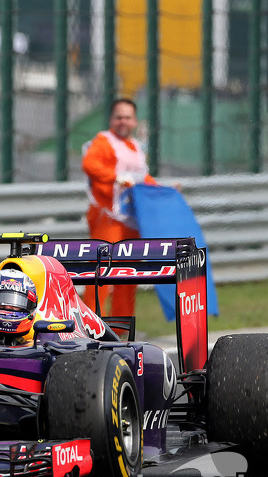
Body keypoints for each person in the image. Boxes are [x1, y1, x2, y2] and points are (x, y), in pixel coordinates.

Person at [81, 98, 157, 318]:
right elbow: (90, 165)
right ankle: (90, 323)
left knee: (128, 275)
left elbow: (143, 179)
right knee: (100, 274)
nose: (123, 121)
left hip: (131, 220)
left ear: (134, 121)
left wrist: (164, 189)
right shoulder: (104, 142)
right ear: (111, 120)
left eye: (127, 117)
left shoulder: (136, 147)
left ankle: (120, 327)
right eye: (119, 117)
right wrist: (116, 177)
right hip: (108, 216)